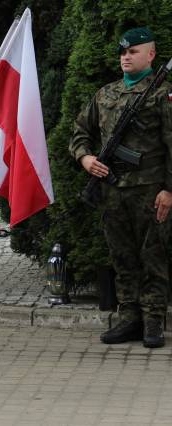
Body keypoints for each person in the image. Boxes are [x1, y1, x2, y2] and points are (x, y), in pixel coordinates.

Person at [70, 27, 172, 348]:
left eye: (134, 51)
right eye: (123, 52)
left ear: (151, 55)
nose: (126, 57)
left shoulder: (162, 95)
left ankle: (153, 321)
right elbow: (79, 132)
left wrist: (169, 190)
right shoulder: (105, 94)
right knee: (122, 256)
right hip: (113, 192)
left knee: (152, 256)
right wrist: (86, 159)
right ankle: (129, 318)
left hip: (150, 192)